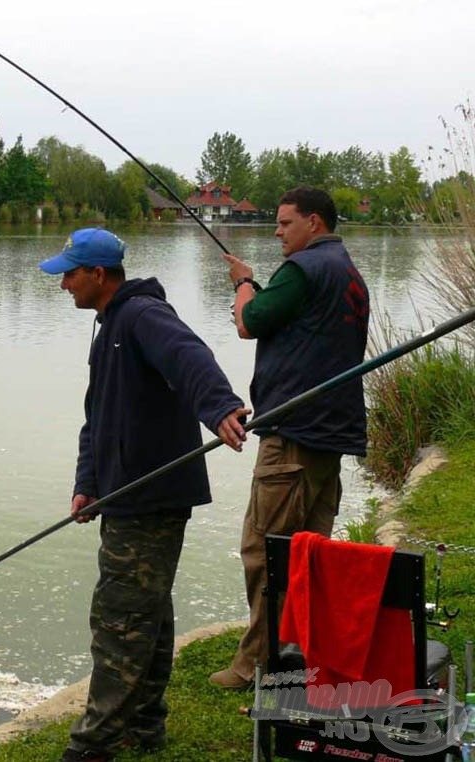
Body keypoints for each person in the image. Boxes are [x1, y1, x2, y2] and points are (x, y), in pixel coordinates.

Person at [39, 228, 250, 761]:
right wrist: (88, 483)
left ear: (98, 274)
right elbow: (98, 417)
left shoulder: (141, 316)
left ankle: (93, 746)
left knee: (120, 621)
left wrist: (221, 405)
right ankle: (143, 726)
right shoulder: (108, 324)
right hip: (123, 494)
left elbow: (189, 356)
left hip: (150, 495)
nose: (63, 283)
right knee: (147, 613)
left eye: (69, 272)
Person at [210, 186, 370, 690]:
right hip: (331, 434)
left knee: (266, 551)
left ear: (314, 223)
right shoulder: (350, 274)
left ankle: (254, 666)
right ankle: (305, 654)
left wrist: (244, 282)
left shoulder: (303, 270)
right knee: (310, 552)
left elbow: (249, 322)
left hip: (294, 435)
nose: (277, 232)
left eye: (284, 223)